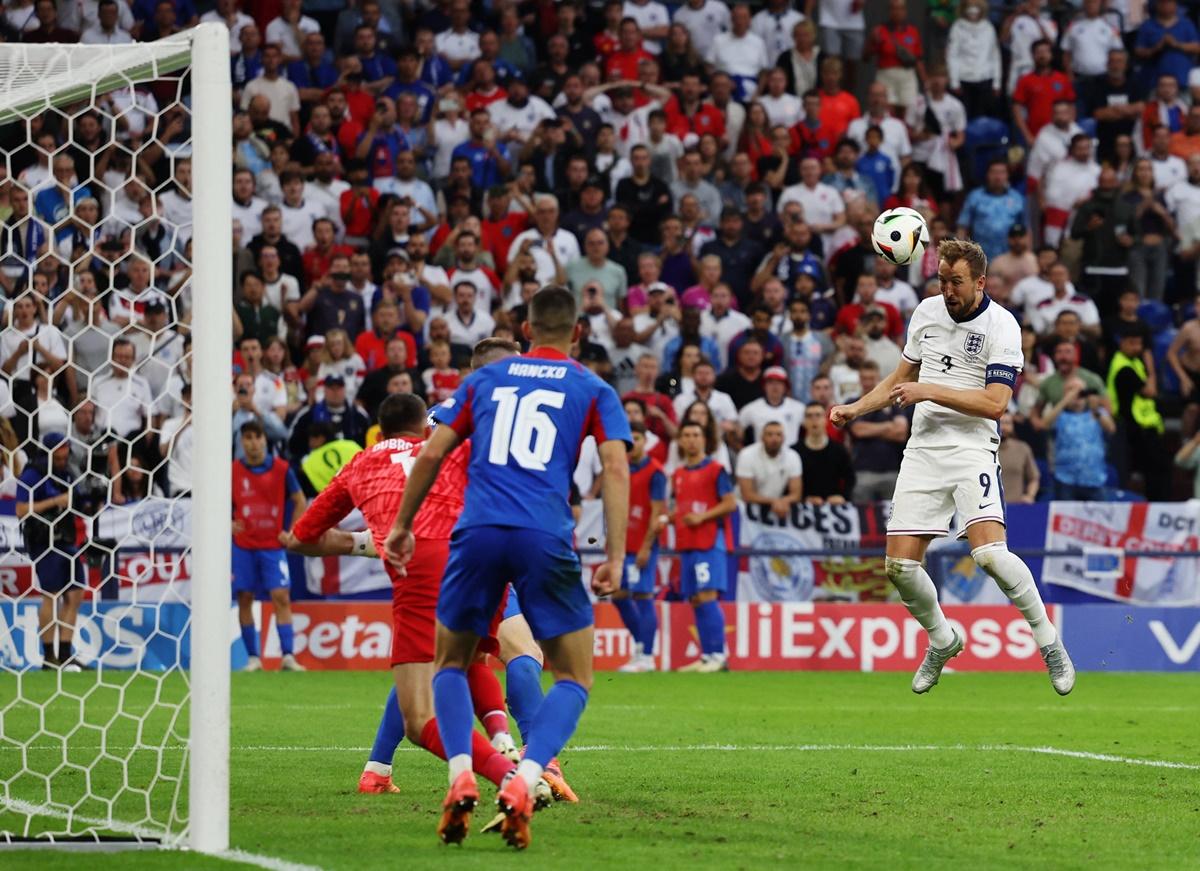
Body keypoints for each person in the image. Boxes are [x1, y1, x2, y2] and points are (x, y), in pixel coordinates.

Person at [383, 287, 631, 848]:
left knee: (451, 661)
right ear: (579, 332)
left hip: (476, 534)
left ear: (524, 328)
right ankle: (524, 778)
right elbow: (615, 470)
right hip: (544, 534)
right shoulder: (593, 387)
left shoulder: (485, 380)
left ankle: (461, 775)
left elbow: (430, 452)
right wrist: (615, 556)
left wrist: (401, 523)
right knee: (573, 675)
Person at [830, 239, 1074, 696]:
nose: (947, 290)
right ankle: (943, 640)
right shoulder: (926, 313)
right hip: (923, 449)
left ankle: (1049, 644)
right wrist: (856, 408)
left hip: (971, 448)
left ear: (980, 282)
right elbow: (900, 380)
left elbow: (995, 403)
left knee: (990, 556)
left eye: (956, 282)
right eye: (942, 280)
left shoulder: (1003, 326)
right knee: (899, 568)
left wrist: (932, 391)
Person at [284, 386, 551, 802]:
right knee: (472, 659)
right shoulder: (450, 450)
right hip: (484, 558)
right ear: (423, 428)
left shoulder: (363, 461)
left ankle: (506, 773)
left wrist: (358, 542)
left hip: (424, 568)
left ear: (377, 431)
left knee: (421, 715)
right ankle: (517, 755)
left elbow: (302, 537)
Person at [231, 420, 308, 673]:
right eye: (248, 438)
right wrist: (228, 522)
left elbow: (300, 500)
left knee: (280, 596)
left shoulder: (282, 469)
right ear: (242, 442)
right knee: (245, 598)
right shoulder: (232, 470)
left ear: (265, 439)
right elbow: (217, 501)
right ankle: (253, 658)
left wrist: (293, 531)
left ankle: (287, 656)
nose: (253, 443)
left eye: (257, 437)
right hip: (243, 545)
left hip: (272, 546)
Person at [671, 420, 737, 673]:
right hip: (687, 543)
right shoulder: (677, 474)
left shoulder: (716, 469)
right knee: (697, 599)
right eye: (686, 434)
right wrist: (667, 518)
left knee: (708, 596)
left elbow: (730, 503)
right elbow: (682, 507)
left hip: (709, 542)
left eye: (695, 435)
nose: (691, 439)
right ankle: (707, 655)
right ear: (680, 440)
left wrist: (702, 517)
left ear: (703, 439)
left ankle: (719, 655)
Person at [17, 433, 86, 670]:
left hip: (67, 538)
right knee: (52, 594)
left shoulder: (66, 472)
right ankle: (49, 656)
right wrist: (56, 501)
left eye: (65, 449)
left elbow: (76, 502)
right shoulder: (32, 474)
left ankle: (65, 652)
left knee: (76, 594)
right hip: (44, 541)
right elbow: (21, 510)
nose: (63, 455)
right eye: (58, 451)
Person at [614, 422, 666, 674]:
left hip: (642, 546)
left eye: (638, 438)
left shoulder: (655, 472)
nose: (633, 444)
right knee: (619, 596)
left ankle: (646, 655)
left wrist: (646, 547)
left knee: (643, 595)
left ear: (646, 441)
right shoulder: (620, 468)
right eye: (629, 439)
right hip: (623, 546)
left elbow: (657, 512)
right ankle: (640, 645)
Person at [1041, 377, 1116, 501]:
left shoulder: (1096, 412)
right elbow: (1045, 424)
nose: (1076, 394)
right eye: (1071, 390)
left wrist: (1095, 408)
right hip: (1065, 479)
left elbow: (1111, 428)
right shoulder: (1059, 414)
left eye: (1080, 390)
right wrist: (1066, 400)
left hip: (1094, 478)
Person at [737, 420, 802, 518]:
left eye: (778, 435)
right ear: (762, 437)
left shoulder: (793, 456)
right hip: (744, 508)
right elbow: (747, 494)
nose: (774, 439)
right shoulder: (746, 454)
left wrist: (782, 501)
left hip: (774, 507)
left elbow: (796, 494)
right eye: (769, 434)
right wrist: (775, 501)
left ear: (784, 438)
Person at [998, 414, 1040, 505]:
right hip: (991, 509)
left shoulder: (1022, 448)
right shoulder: (985, 449)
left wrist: (1030, 496)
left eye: (1007, 423)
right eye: (1000, 423)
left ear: (1013, 426)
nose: (1004, 427)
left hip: (1017, 506)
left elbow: (1034, 478)